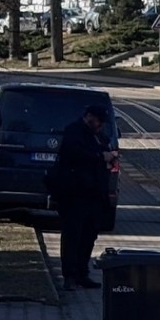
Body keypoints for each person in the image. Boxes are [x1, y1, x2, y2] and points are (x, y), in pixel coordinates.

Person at [49, 102, 111, 290]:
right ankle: (70, 276)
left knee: (88, 236)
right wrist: (100, 157)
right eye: (99, 122)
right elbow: (74, 153)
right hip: (74, 194)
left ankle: (82, 273)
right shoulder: (74, 131)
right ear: (90, 117)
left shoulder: (97, 136)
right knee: (72, 236)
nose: (100, 126)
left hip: (94, 194)